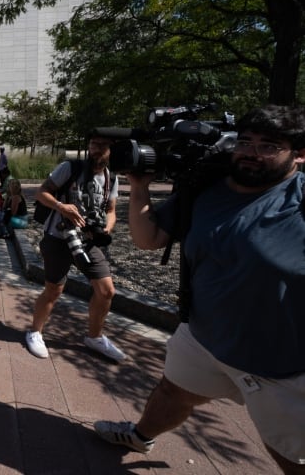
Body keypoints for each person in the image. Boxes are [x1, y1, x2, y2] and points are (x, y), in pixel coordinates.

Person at [94, 105, 305, 474]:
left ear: (299, 154)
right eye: (245, 141)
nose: (251, 152)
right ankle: (140, 437)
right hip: (203, 339)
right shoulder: (206, 189)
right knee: (171, 393)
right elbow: (149, 238)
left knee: (289, 455)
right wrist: (140, 187)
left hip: (282, 364)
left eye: (269, 145)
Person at [25, 136, 125, 361]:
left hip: (88, 242)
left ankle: (95, 337)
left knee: (107, 291)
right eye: (93, 144)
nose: (96, 149)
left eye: (101, 145)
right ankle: (34, 332)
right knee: (54, 290)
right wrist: (61, 207)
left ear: (111, 149)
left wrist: (106, 229)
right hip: (58, 238)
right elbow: (42, 193)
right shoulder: (70, 168)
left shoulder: (111, 178)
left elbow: (111, 209)